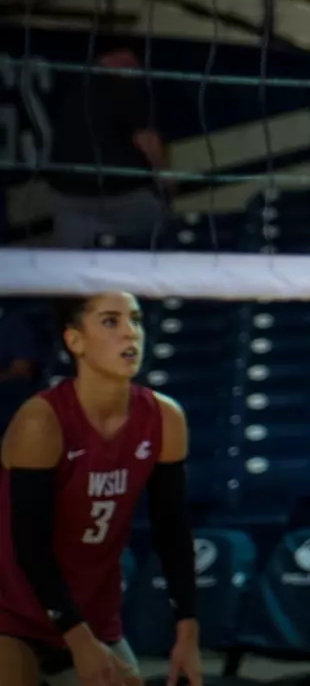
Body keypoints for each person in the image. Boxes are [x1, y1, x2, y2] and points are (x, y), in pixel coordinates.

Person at [0, 294, 201, 686]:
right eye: (111, 321)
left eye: (136, 320)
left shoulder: (164, 417)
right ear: (75, 341)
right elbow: (29, 546)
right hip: (12, 609)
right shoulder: (41, 420)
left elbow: (172, 530)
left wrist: (187, 630)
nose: (131, 331)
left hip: (94, 611)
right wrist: (76, 636)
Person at [46, 45, 171, 250]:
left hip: (68, 195)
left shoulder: (71, 85)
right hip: (120, 195)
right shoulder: (125, 86)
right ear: (120, 57)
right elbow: (146, 139)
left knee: (71, 263)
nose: (137, 67)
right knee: (155, 237)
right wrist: (166, 178)